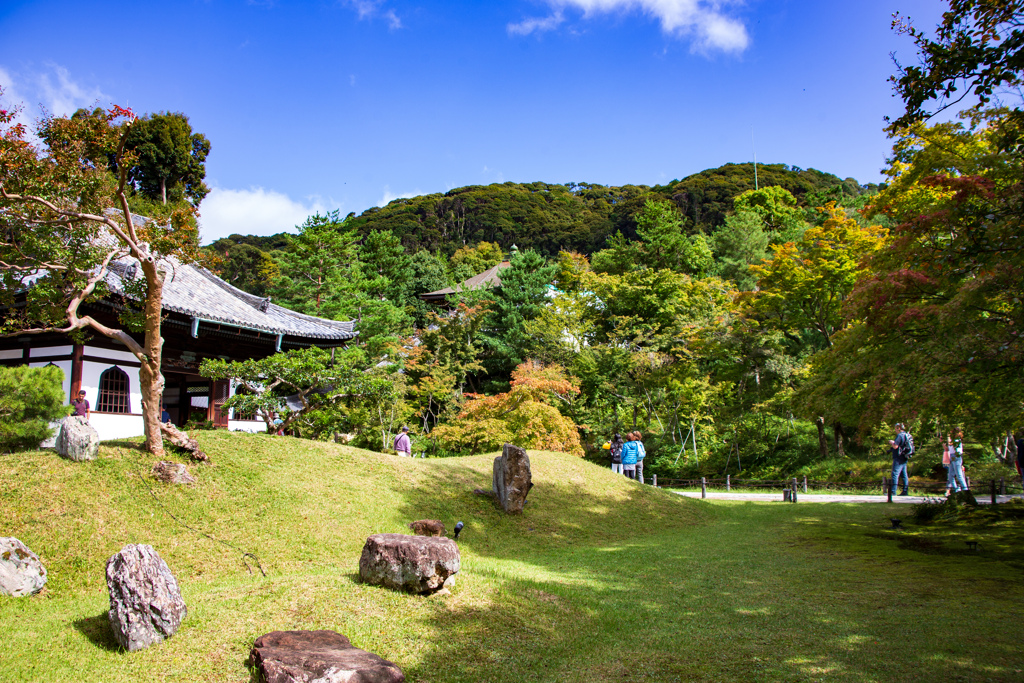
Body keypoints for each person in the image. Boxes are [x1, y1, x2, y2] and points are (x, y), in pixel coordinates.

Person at [891, 423, 911, 496]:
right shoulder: (907, 435)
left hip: (898, 457)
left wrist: (892, 442)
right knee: (904, 475)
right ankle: (905, 491)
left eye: (896, 428)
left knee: (895, 474)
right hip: (904, 457)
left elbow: (895, 446)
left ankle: (893, 491)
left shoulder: (900, 435)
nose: (895, 430)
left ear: (899, 428)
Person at [948, 429, 967, 494]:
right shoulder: (953, 440)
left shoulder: (957, 440)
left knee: (959, 475)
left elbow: (950, 444)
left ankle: (965, 489)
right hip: (952, 456)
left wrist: (948, 437)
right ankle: (956, 490)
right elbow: (947, 448)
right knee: (950, 476)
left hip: (957, 457)